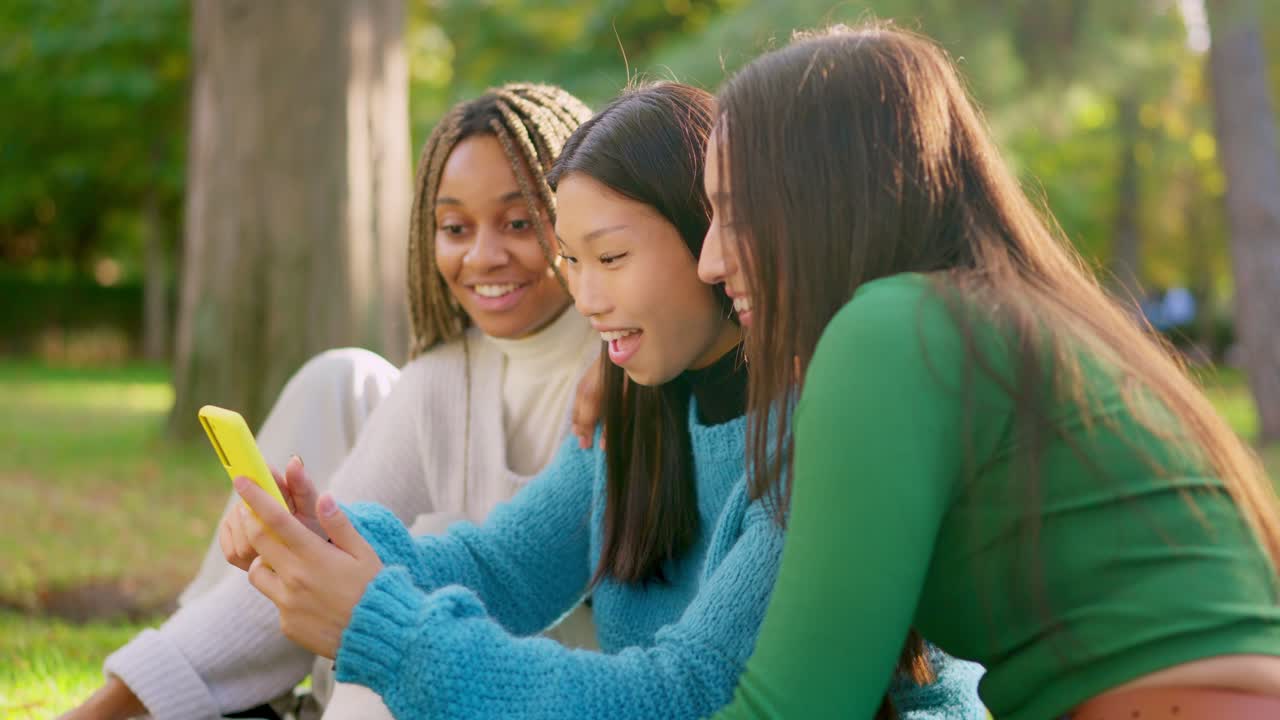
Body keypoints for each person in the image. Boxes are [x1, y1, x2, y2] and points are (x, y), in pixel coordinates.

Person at [227, 82, 986, 719]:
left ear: (712, 239)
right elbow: (500, 569)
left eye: (612, 258)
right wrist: (324, 533)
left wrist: (386, 631)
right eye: (573, 262)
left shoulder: (819, 434)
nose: (587, 298)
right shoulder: (638, 408)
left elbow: (680, 695)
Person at [696, 24, 1280, 720]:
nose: (710, 261)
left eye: (735, 214)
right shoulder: (1006, 324)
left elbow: (797, 710)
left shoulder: (890, 331)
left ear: (821, 198)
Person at [65, 83, 601, 720]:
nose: (483, 255)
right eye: (454, 227)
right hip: (422, 641)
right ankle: (213, 696)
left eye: (519, 222)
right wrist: (113, 704)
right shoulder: (446, 375)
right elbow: (350, 544)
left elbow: (506, 579)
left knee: (402, 584)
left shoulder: (624, 366)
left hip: (546, 680)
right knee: (340, 405)